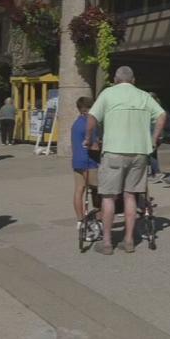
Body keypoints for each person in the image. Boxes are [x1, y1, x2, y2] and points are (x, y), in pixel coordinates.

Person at [84, 66, 166, 255]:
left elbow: (92, 117)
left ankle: (106, 242)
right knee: (131, 195)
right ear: (134, 80)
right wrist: (154, 139)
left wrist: (90, 138)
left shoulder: (108, 94)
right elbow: (162, 115)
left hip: (114, 150)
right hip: (139, 152)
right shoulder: (144, 96)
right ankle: (128, 240)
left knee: (108, 196)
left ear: (115, 79)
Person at [72, 96, 101, 240]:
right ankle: (97, 218)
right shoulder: (89, 123)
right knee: (99, 191)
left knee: (79, 190)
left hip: (77, 160)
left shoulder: (76, 123)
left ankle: (80, 219)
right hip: (89, 162)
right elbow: (94, 145)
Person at [148, 92, 164, 180]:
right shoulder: (154, 108)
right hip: (153, 134)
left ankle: (157, 172)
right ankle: (154, 172)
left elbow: (159, 124)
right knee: (152, 154)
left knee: (150, 154)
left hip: (155, 135)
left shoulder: (156, 110)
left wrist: (159, 136)